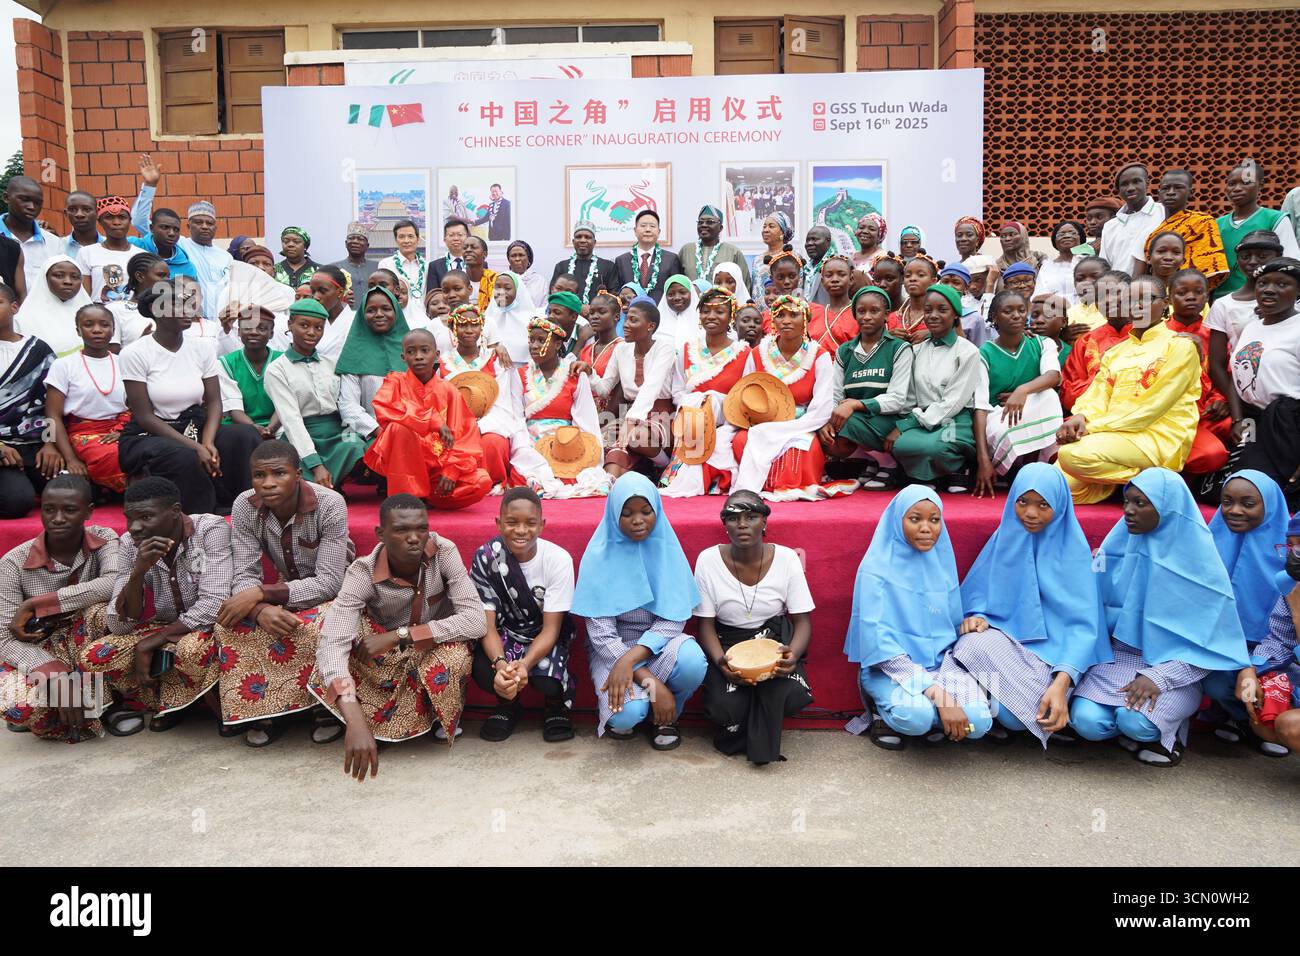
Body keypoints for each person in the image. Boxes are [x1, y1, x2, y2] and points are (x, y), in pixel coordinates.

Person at [1070, 468, 1250, 765]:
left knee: (1136, 722)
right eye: (1127, 501)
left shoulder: (1202, 568)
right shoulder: (1116, 548)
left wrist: (1161, 676)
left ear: (1168, 508)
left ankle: (1169, 734)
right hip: (1118, 660)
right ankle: (1125, 728)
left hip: (1175, 668)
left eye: (1141, 503)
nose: (1128, 510)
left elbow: (1210, 645)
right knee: (1086, 721)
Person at [309, 494, 485, 780]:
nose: (414, 538)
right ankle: (358, 716)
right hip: (383, 658)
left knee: (453, 656)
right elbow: (333, 641)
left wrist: (400, 635)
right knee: (326, 624)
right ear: (381, 533)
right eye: (402, 530)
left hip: (432, 645)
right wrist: (354, 718)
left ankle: (436, 714)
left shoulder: (444, 551)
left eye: (421, 529)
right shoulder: (362, 571)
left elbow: (476, 620)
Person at [954, 464, 1112, 745]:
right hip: (1012, 643)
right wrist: (976, 616)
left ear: (1060, 506)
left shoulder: (1073, 554)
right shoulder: (1005, 537)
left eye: (1043, 505)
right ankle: (991, 708)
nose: (1030, 513)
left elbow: (1084, 628)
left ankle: (1010, 708)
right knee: (971, 644)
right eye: (1022, 501)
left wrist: (1062, 683)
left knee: (1015, 717)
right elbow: (978, 595)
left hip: (1056, 656)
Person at [214, 441, 354, 748]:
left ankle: (325, 707)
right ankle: (268, 708)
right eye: (258, 475)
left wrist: (262, 594)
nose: (268, 483)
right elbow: (244, 573)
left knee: (319, 625)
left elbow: (330, 581)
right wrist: (258, 609)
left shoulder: (330, 504)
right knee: (235, 624)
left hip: (336, 591)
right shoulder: (244, 505)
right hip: (284, 587)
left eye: (279, 473)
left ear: (298, 475)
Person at [845, 485, 993, 749]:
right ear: (897, 520)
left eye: (934, 520)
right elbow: (878, 644)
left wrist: (971, 623)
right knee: (917, 717)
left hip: (941, 666)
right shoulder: (875, 569)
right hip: (889, 670)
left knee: (980, 722)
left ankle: (938, 719)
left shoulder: (941, 560)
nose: (927, 528)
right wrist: (939, 695)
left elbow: (946, 623)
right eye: (915, 519)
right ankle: (885, 715)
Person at [80, 476, 232, 732]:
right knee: (95, 657)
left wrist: (152, 641)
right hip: (167, 625)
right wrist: (138, 573)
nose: (135, 527)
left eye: (146, 517)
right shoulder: (130, 543)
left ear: (174, 511)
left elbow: (215, 603)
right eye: (130, 518)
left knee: (191, 649)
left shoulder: (209, 530)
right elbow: (119, 624)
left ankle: (179, 703)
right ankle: (171, 702)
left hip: (209, 625)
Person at [573, 472, 706, 749]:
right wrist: (646, 678)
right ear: (613, 514)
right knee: (626, 715)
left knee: (693, 661)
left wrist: (634, 659)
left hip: (657, 645)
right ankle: (652, 700)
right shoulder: (599, 555)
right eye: (627, 513)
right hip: (612, 651)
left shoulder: (667, 549)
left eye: (646, 512)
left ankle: (667, 716)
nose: (638, 520)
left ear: (657, 510)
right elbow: (601, 635)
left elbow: (673, 619)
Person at [0, 475, 134, 739]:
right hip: (41, 650)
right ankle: (73, 712)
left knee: (105, 612)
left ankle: (110, 705)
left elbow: (112, 583)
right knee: (14, 703)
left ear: (89, 512)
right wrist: (53, 674)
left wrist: (38, 603)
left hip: (88, 641)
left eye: (70, 510)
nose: (58, 518)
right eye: (49, 509)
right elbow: (4, 637)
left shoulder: (104, 538)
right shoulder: (12, 563)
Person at [118, 280, 261, 514]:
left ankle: (244, 507)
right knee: (183, 455)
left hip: (195, 426)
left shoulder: (202, 348)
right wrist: (196, 447)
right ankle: (201, 517)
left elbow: (214, 401)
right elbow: (144, 417)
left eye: (188, 304)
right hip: (152, 433)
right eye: (177, 306)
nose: (188, 310)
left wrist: (208, 442)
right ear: (157, 311)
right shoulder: (135, 353)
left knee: (244, 435)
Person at [1057, 275, 1201, 504]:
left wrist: (1091, 428)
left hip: (1155, 435)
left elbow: (1150, 409)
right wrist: (1082, 416)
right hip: (1111, 436)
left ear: (1165, 304)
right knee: (1055, 486)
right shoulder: (1116, 352)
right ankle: (1124, 484)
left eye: (1146, 299)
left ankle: (1165, 479)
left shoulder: (1180, 346)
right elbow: (1098, 396)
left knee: (1071, 455)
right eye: (1130, 300)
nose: (1137, 306)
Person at [694, 491, 814, 763]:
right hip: (728, 642)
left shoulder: (786, 559)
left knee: (792, 695)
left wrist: (791, 655)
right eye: (733, 518)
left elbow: (803, 621)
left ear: (764, 522)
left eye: (751, 516)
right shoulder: (707, 561)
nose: (742, 524)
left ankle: (759, 712)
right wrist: (721, 662)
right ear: (724, 524)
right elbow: (706, 625)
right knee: (724, 709)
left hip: (773, 641)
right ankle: (751, 713)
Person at [470, 487, 577, 742]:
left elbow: (551, 629)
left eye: (530, 523)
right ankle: (509, 704)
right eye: (511, 522)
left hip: (544, 633)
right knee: (484, 670)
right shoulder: (485, 559)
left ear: (542, 525)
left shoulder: (558, 559)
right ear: (498, 523)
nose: (520, 530)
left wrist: (525, 665)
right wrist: (503, 666)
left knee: (547, 680)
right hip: (506, 632)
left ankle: (555, 703)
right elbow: (488, 626)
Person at [1201, 470, 1290, 751]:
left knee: (1259, 680)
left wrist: (1253, 664)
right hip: (1220, 644)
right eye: (1227, 501)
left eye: (1248, 504)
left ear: (1270, 505)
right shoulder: (1207, 541)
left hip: (1278, 653)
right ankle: (1240, 717)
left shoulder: (1291, 552)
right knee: (1216, 681)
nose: (1234, 511)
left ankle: (1269, 724)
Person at [364, 328, 492, 508]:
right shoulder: (395, 381)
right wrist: (432, 421)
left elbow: (465, 437)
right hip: (404, 464)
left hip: (437, 468)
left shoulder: (449, 391)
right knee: (397, 428)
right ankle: (407, 498)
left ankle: (429, 495)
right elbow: (385, 408)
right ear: (403, 357)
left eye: (425, 350)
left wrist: (452, 470)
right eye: (411, 352)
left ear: (437, 354)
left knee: (481, 481)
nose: (418, 356)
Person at [887, 285, 986, 494]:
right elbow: (911, 395)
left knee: (937, 446)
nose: (933, 315)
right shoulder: (916, 350)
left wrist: (914, 422)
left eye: (942, 310)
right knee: (901, 445)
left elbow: (954, 402)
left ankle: (957, 468)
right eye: (928, 309)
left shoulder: (968, 351)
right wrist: (907, 422)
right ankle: (931, 475)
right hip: (922, 417)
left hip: (955, 418)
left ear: (955, 315)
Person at [263, 297, 366, 492]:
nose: (312, 332)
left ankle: (330, 486)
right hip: (302, 432)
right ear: (290, 324)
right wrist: (316, 464)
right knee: (293, 462)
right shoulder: (277, 370)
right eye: (304, 325)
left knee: (356, 446)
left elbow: (345, 405)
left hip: (336, 432)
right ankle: (322, 485)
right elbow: (291, 420)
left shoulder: (332, 363)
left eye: (318, 327)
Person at [817, 285, 913, 488]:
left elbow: (897, 400)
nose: (867, 317)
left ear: (886, 315)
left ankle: (889, 465)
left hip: (891, 419)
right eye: (861, 311)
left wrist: (855, 404)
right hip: (855, 417)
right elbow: (835, 393)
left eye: (874, 311)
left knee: (848, 422)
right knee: (828, 437)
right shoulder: (845, 350)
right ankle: (873, 459)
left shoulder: (899, 348)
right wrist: (827, 420)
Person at [661, 288, 751, 497]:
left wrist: (713, 403)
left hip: (728, 421)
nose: (711, 316)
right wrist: (697, 406)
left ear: (730, 317)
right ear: (699, 315)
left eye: (719, 311)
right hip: (691, 420)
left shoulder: (744, 353)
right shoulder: (687, 349)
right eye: (705, 311)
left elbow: (746, 395)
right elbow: (678, 390)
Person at [583, 296, 676, 479]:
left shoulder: (665, 348)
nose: (626, 325)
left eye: (633, 320)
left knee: (636, 436)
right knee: (609, 456)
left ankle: (664, 465)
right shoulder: (621, 350)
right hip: (630, 416)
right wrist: (589, 372)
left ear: (650, 326)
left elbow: (652, 387)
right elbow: (604, 388)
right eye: (626, 319)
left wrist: (631, 421)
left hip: (661, 415)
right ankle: (637, 470)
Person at [1231, 259, 1300, 500]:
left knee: (1267, 495)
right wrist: (1239, 419)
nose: (1269, 289)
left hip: (1289, 424)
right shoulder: (1252, 327)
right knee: (1233, 487)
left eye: (1282, 284)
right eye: (1263, 283)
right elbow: (1240, 374)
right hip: (1256, 421)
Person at [976, 290, 1063, 481]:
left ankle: (1036, 468)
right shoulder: (984, 353)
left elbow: (1053, 375)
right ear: (994, 317)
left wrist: (1022, 391)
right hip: (999, 417)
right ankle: (1015, 469)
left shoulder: (1042, 343)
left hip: (1031, 409)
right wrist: (983, 460)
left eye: (1022, 310)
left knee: (1049, 395)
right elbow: (981, 407)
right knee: (1005, 428)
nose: (1016, 315)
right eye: (1008, 311)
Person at [44, 304, 129, 495]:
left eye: (104, 325)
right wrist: (68, 457)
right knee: (111, 456)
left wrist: (124, 431)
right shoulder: (63, 365)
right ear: (78, 330)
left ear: (113, 330)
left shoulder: (125, 362)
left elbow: (136, 407)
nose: (97, 330)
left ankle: (102, 488)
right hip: (84, 432)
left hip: (121, 430)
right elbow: (51, 414)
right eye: (89, 325)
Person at [511, 316, 603, 485]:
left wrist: (588, 454)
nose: (534, 346)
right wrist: (524, 447)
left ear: (558, 344)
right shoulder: (519, 375)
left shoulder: (575, 374)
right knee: (525, 475)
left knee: (578, 477)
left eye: (541, 340)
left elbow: (586, 420)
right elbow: (516, 419)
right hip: (530, 441)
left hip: (564, 443)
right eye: (531, 340)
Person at [1164, 268, 1231, 477]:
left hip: (1204, 415)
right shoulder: (1158, 333)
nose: (1190, 297)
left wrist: (1221, 399)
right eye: (1182, 292)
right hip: (1167, 415)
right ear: (1169, 298)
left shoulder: (1216, 334)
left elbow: (1227, 372)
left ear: (1207, 296)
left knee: (1248, 428)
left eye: (1198, 292)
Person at [334, 285, 409, 456]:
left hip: (412, 429)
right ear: (362, 315)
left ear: (396, 311)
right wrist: (377, 430)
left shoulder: (413, 350)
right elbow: (348, 405)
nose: (379, 314)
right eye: (371, 310)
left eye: (386, 308)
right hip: (372, 432)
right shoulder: (354, 353)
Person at [1214, 160, 1300, 300]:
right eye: (1231, 184)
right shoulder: (1217, 224)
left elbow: (1291, 262)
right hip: (1223, 301)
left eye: (1245, 182)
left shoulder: (1275, 219)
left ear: (1261, 185)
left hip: (1265, 301)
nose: (1237, 188)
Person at [1138, 169, 1229, 290]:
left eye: (1178, 188)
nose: (1171, 192)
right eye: (1166, 188)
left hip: (1188, 293)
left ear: (1190, 193)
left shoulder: (1202, 222)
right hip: (1154, 292)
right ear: (1159, 193)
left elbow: (1209, 268)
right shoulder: (1151, 226)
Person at [1060, 270, 1134, 411]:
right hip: (1090, 416)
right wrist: (1104, 379)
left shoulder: (1148, 335)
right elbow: (1068, 394)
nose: (1107, 300)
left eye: (1116, 292)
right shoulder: (1086, 342)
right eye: (1100, 296)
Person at [217, 307, 282, 438]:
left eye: (262, 328)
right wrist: (255, 429)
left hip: (278, 424)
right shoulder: (225, 363)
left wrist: (270, 429)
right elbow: (235, 411)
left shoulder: (283, 361)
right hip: (240, 427)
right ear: (239, 332)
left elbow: (285, 404)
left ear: (271, 333)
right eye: (247, 328)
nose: (254, 332)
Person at [1100, 164, 1165, 276]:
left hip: (1153, 288)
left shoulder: (1163, 213)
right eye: (1124, 184)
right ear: (1118, 190)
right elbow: (1105, 265)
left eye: (1136, 181)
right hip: (1118, 290)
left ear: (1147, 183)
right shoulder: (1110, 226)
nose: (1130, 188)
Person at [0, 175, 58, 292]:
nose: (31, 207)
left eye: (37, 202)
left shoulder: (54, 243)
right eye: (24, 199)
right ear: (6, 197)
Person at [75, 196, 136, 306]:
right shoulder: (86, 253)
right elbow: (84, 297)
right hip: (98, 318)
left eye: (122, 217)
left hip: (131, 318)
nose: (116, 222)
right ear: (100, 222)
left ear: (129, 221)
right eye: (109, 217)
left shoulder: (140, 255)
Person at [614, 209, 683, 302]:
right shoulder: (621, 261)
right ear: (635, 230)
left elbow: (677, 290)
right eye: (643, 226)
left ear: (658, 232)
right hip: (630, 313)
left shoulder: (671, 259)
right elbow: (617, 292)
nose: (648, 229)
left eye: (652, 226)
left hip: (661, 314)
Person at [680, 204, 750, 287]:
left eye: (710, 222)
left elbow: (744, 286)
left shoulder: (733, 252)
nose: (704, 225)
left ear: (720, 228)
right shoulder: (686, 250)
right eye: (700, 222)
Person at [108, 253, 168, 348]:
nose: (167, 281)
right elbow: (111, 357)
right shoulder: (115, 310)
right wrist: (141, 343)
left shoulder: (172, 310)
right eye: (161, 275)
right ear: (139, 276)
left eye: (168, 276)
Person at [550, 221, 615, 308]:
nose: (583, 240)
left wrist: (592, 309)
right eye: (578, 237)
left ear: (594, 242)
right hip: (566, 315)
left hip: (598, 316)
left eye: (587, 237)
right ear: (573, 241)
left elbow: (613, 296)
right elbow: (554, 295)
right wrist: (578, 308)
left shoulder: (608, 266)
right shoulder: (561, 266)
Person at [806, 254, 859, 350]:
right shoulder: (812, 313)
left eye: (841, 274)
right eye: (829, 275)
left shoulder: (859, 313)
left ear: (851, 279)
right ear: (822, 281)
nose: (835, 280)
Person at [306, 266, 354, 362]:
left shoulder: (355, 321)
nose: (315, 297)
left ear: (340, 292)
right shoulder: (306, 320)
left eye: (322, 291)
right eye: (313, 291)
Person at [890, 254, 940, 343]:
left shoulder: (941, 315)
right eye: (908, 275)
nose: (912, 279)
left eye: (920, 275)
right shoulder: (893, 317)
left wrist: (931, 334)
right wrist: (889, 336)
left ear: (933, 282)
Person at [376, 218, 426, 303]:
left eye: (410, 236)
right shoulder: (386, 265)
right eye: (401, 237)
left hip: (423, 314)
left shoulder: (427, 265)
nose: (406, 241)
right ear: (396, 240)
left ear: (418, 239)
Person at [749, 211, 794, 301]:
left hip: (784, 311)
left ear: (783, 232)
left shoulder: (792, 258)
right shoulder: (757, 260)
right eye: (764, 226)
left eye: (771, 226)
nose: (765, 230)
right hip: (759, 314)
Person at [1037, 220, 1085, 301]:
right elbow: (1040, 292)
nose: (1066, 236)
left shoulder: (1090, 263)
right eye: (1061, 234)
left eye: (1072, 233)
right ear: (1055, 241)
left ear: (1081, 238)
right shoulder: (1047, 266)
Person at [424, 218, 472, 291]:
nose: (456, 238)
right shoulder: (435, 266)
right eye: (451, 235)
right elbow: (433, 295)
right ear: (444, 239)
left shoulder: (478, 263)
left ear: (467, 237)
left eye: (460, 234)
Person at [657, 274, 699, 350]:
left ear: (691, 294)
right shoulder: (657, 324)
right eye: (670, 294)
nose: (677, 298)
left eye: (682, 292)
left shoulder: (702, 322)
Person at [330, 222, 372, 294]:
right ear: (346, 243)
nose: (355, 241)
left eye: (360, 239)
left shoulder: (378, 267)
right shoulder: (334, 268)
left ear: (367, 245)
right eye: (351, 238)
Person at [800, 226, 833, 305]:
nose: (809, 244)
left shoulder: (839, 265)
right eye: (807, 240)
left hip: (827, 315)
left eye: (814, 239)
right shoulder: (804, 269)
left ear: (828, 241)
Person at [463, 236, 497, 313]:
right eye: (465, 248)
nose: (468, 250)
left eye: (473, 247)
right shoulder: (456, 280)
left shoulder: (495, 280)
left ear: (484, 254)